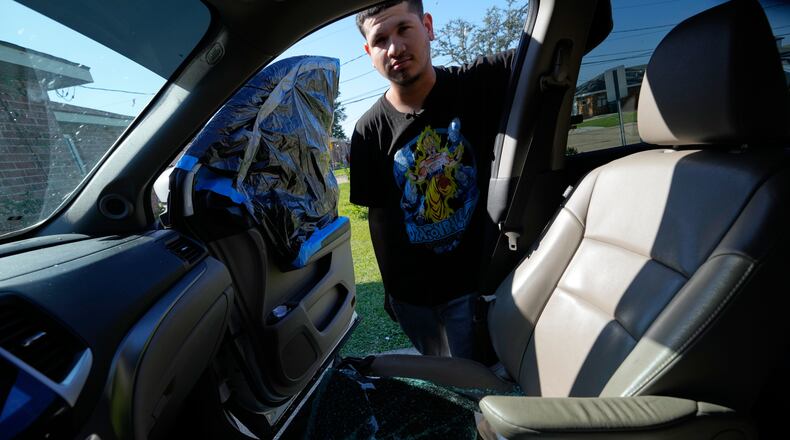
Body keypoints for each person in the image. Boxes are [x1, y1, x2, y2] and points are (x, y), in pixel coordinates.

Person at [350, 0, 515, 359]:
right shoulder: (367, 131)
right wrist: (390, 289)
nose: (394, 48)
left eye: (404, 29)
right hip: (413, 300)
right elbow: (378, 217)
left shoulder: (480, 82)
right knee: (446, 381)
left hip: (476, 289)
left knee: (483, 385)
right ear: (368, 51)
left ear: (427, 26)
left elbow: (572, 36)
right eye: (380, 39)